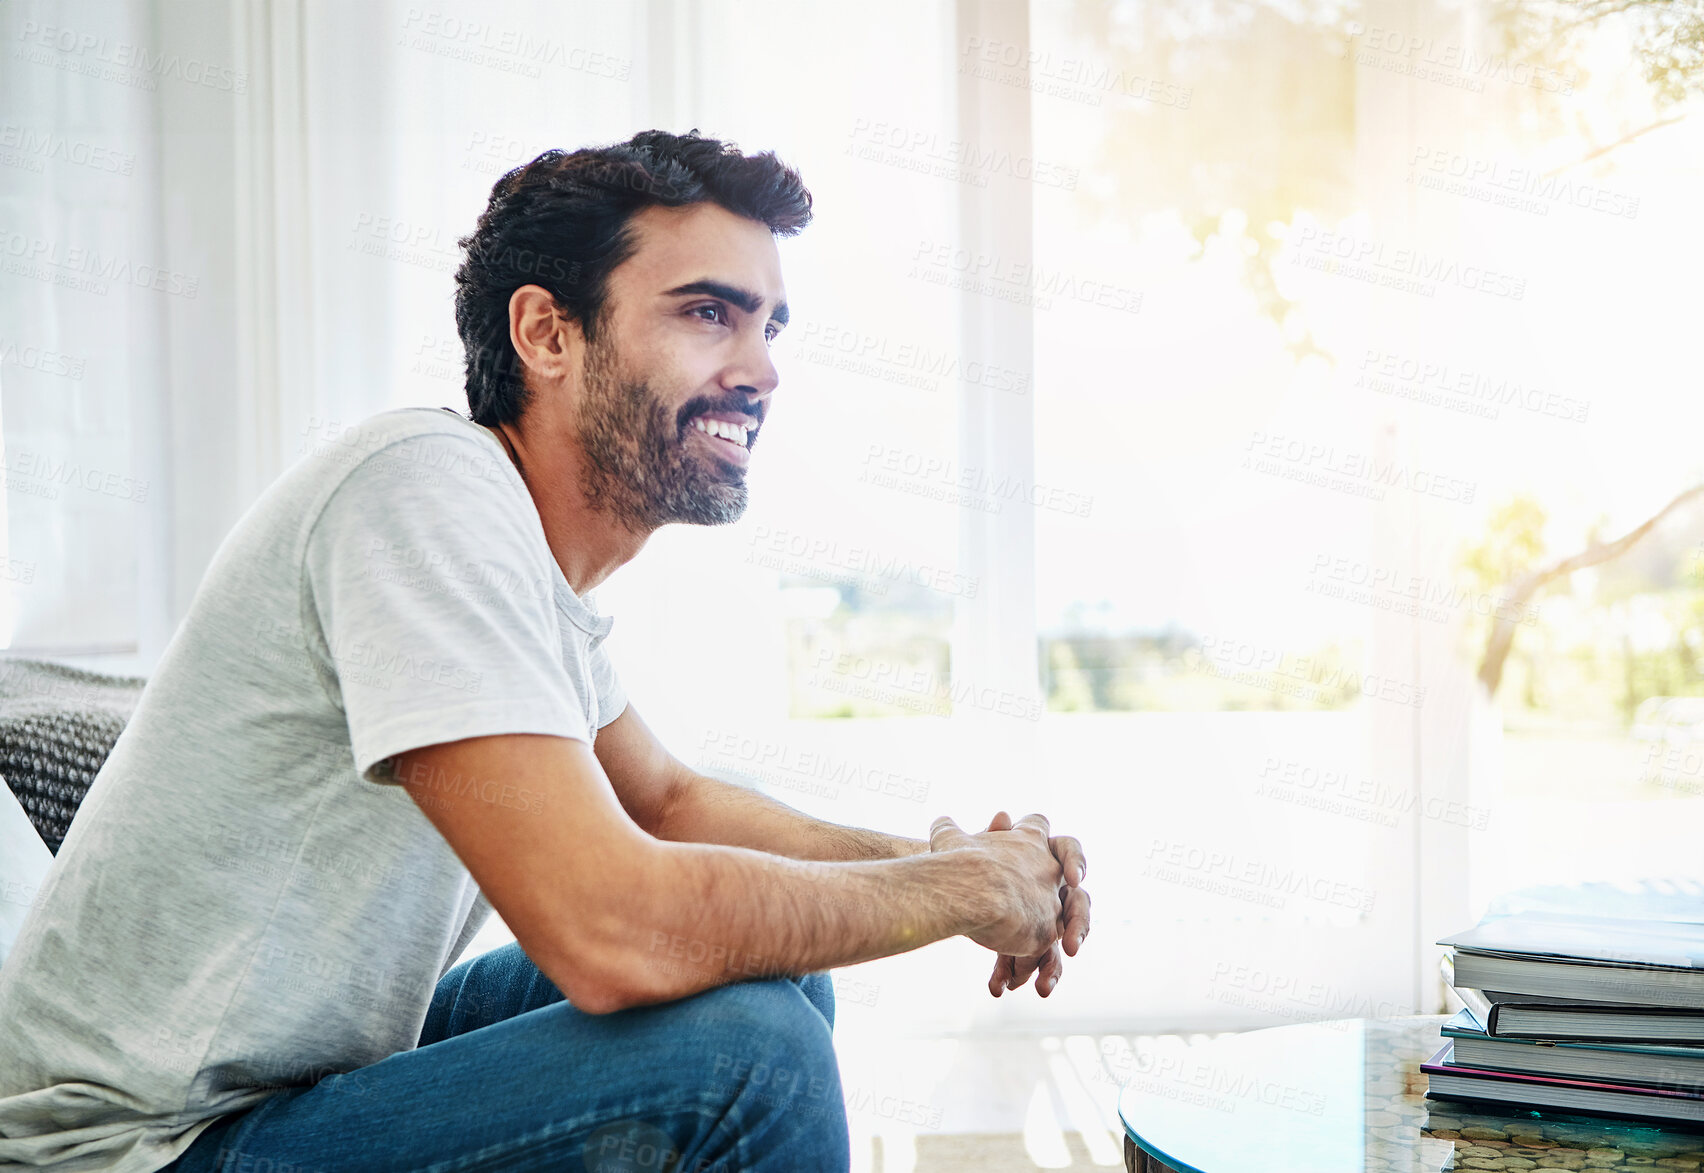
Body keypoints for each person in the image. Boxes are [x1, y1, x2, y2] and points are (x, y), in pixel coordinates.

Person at [0, 129, 1090, 1173]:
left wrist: (949, 865)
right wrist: (952, 895)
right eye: (710, 313)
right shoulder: (420, 492)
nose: (761, 369)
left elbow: (665, 802)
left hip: (292, 1082)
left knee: (777, 983)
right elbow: (610, 934)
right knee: (747, 1061)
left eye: (772, 328)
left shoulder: (515, 559)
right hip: (147, 1147)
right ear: (548, 334)